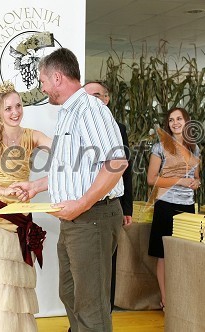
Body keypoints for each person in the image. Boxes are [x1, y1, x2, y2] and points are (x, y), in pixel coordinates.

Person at [11, 48, 128, 332]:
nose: (41, 87)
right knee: (70, 293)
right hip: (76, 219)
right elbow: (71, 170)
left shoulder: (91, 109)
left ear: (58, 77)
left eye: (42, 81)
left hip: (92, 218)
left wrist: (83, 204)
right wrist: (36, 186)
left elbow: (116, 162)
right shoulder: (67, 114)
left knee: (91, 303)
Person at [0, 81, 52, 332]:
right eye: (8, 108)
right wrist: (4, 190)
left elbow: (60, 149)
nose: (15, 112)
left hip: (21, 224)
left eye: (18, 106)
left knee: (15, 288)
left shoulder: (31, 136)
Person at [83, 81, 133, 310]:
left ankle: (105, 313)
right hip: (83, 207)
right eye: (87, 96)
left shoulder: (118, 128)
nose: (91, 100)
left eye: (96, 95)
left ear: (106, 98)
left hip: (109, 205)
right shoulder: (79, 125)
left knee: (106, 266)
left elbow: (125, 170)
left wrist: (127, 208)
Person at [147, 107, 200, 310]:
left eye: (179, 118)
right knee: (164, 255)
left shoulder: (195, 149)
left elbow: (195, 178)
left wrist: (196, 183)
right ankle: (165, 300)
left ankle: (182, 298)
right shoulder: (160, 147)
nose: (175, 122)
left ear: (187, 121)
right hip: (166, 207)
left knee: (184, 254)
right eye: (171, 120)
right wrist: (179, 181)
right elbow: (152, 179)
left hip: (187, 208)